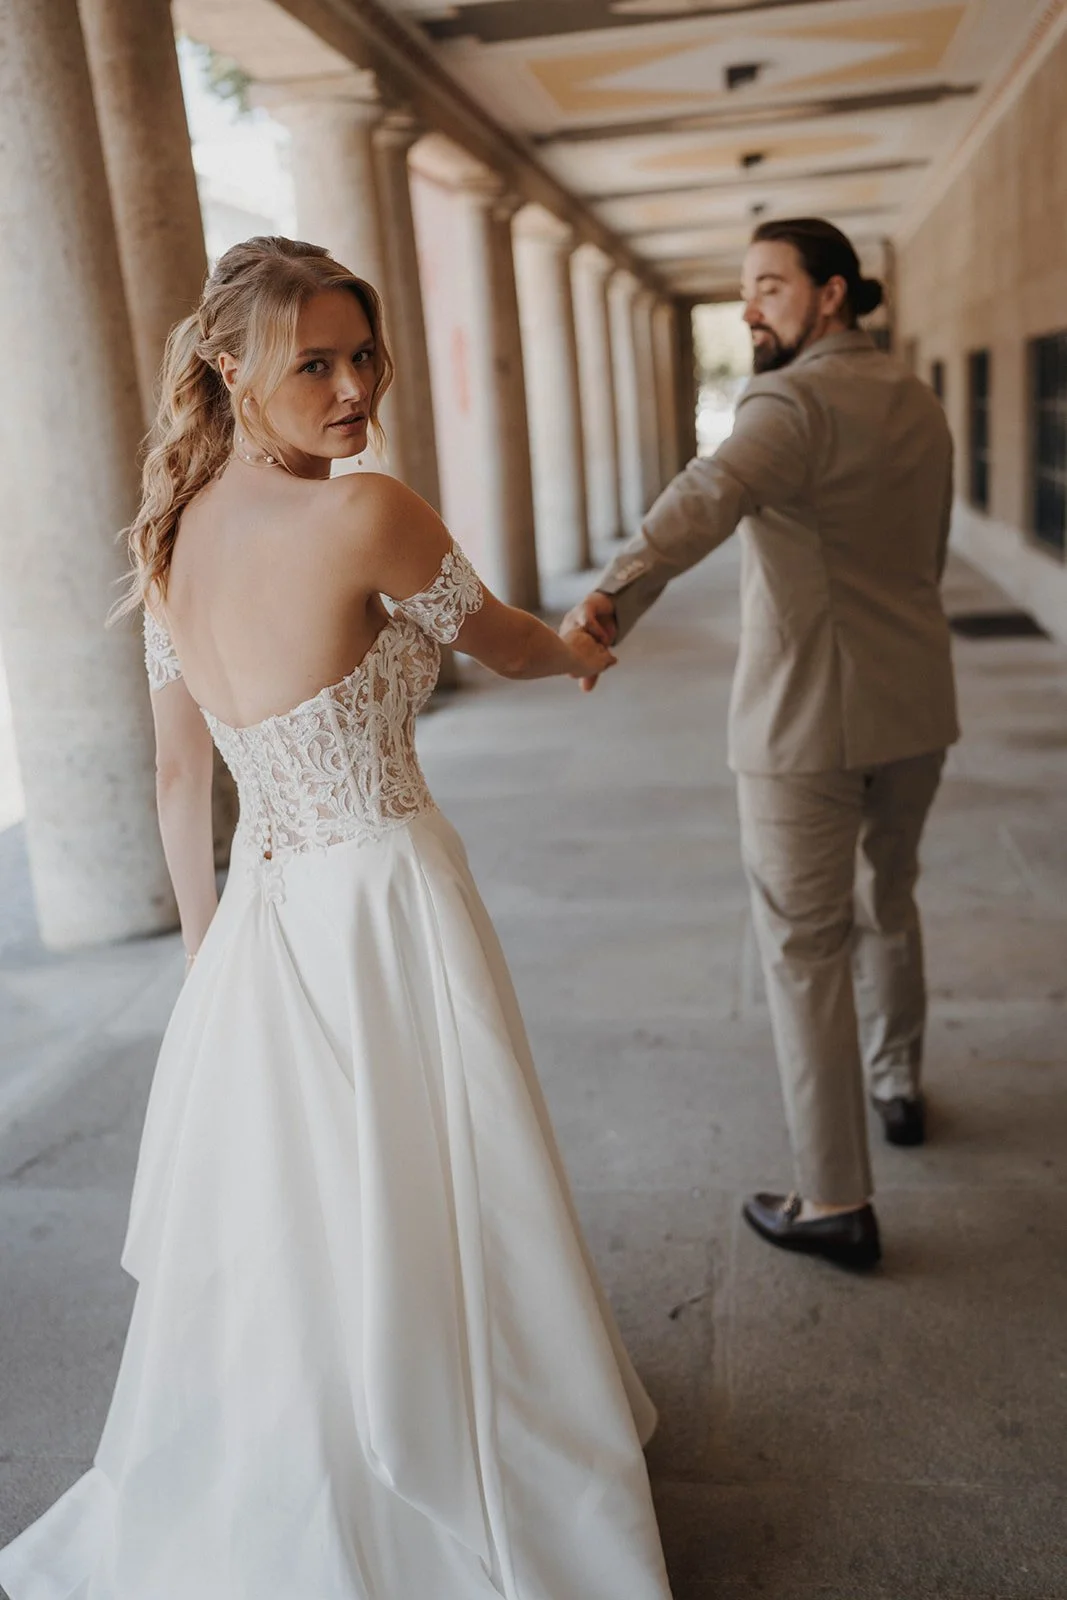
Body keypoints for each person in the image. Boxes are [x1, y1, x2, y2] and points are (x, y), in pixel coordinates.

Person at [0, 237, 673, 1599]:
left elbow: (180, 776)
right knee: (436, 1171)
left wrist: (208, 956)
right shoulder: (363, 512)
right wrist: (584, 649)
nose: (352, 385)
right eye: (313, 362)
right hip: (388, 888)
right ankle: (460, 1443)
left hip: (262, 916)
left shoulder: (173, 537)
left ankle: (327, 1436)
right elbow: (500, 637)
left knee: (299, 1212)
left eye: (363, 354)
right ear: (227, 369)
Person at [565, 217, 958, 1272]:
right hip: (915, 705)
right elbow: (925, 552)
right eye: (746, 289)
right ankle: (896, 1083)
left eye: (769, 286)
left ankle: (832, 1198)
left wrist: (608, 598)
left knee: (801, 950)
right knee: (890, 898)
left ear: (830, 294)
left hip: (802, 727)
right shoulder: (918, 400)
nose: (749, 308)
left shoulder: (787, 403)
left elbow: (706, 497)